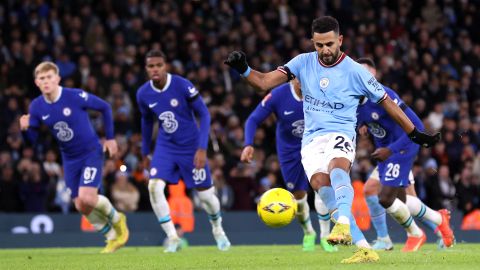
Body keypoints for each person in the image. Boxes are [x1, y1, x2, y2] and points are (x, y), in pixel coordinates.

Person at [225, 16, 440, 263]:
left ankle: (345, 223)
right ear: (313, 43)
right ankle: (364, 248)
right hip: (311, 141)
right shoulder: (302, 63)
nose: (324, 50)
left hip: (341, 133)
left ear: (340, 40)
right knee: (321, 187)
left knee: (338, 167)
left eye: (329, 44)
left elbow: (388, 102)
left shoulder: (356, 71)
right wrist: (244, 69)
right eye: (319, 45)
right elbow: (263, 82)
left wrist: (413, 133)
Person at [19, 61, 129, 253]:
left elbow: (105, 107)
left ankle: (118, 220)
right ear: (37, 82)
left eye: (49, 77)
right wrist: (24, 129)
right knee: (81, 205)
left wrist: (110, 139)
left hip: (90, 152)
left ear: (57, 79)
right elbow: (32, 141)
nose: (46, 82)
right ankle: (111, 237)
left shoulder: (74, 96)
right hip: (69, 158)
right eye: (42, 78)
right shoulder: (36, 106)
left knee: (87, 197)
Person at [356, 58, 455, 251]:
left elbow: (417, 127)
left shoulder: (386, 96)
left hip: (402, 148)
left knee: (385, 198)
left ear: (373, 76)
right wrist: (363, 126)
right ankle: (439, 219)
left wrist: (390, 150)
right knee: (401, 199)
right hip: (385, 152)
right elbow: (365, 118)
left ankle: (415, 234)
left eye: (364, 74)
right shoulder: (355, 99)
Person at [137, 50, 231, 253]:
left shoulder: (181, 85)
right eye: (151, 66)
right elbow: (146, 122)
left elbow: (204, 115)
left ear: (165, 66)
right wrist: (145, 152)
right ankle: (172, 237)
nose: (155, 69)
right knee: (154, 187)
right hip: (166, 147)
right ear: (146, 69)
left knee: (206, 197)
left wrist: (202, 148)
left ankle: (218, 229)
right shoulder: (143, 93)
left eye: (158, 65)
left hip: (191, 147)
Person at [241, 79, 336, 252]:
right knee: (299, 197)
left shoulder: (322, 92)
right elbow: (253, 119)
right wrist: (248, 143)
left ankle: (325, 236)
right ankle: (308, 232)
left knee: (322, 187)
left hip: (317, 146)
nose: (304, 81)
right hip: (289, 151)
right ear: (292, 79)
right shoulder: (278, 95)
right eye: (300, 78)